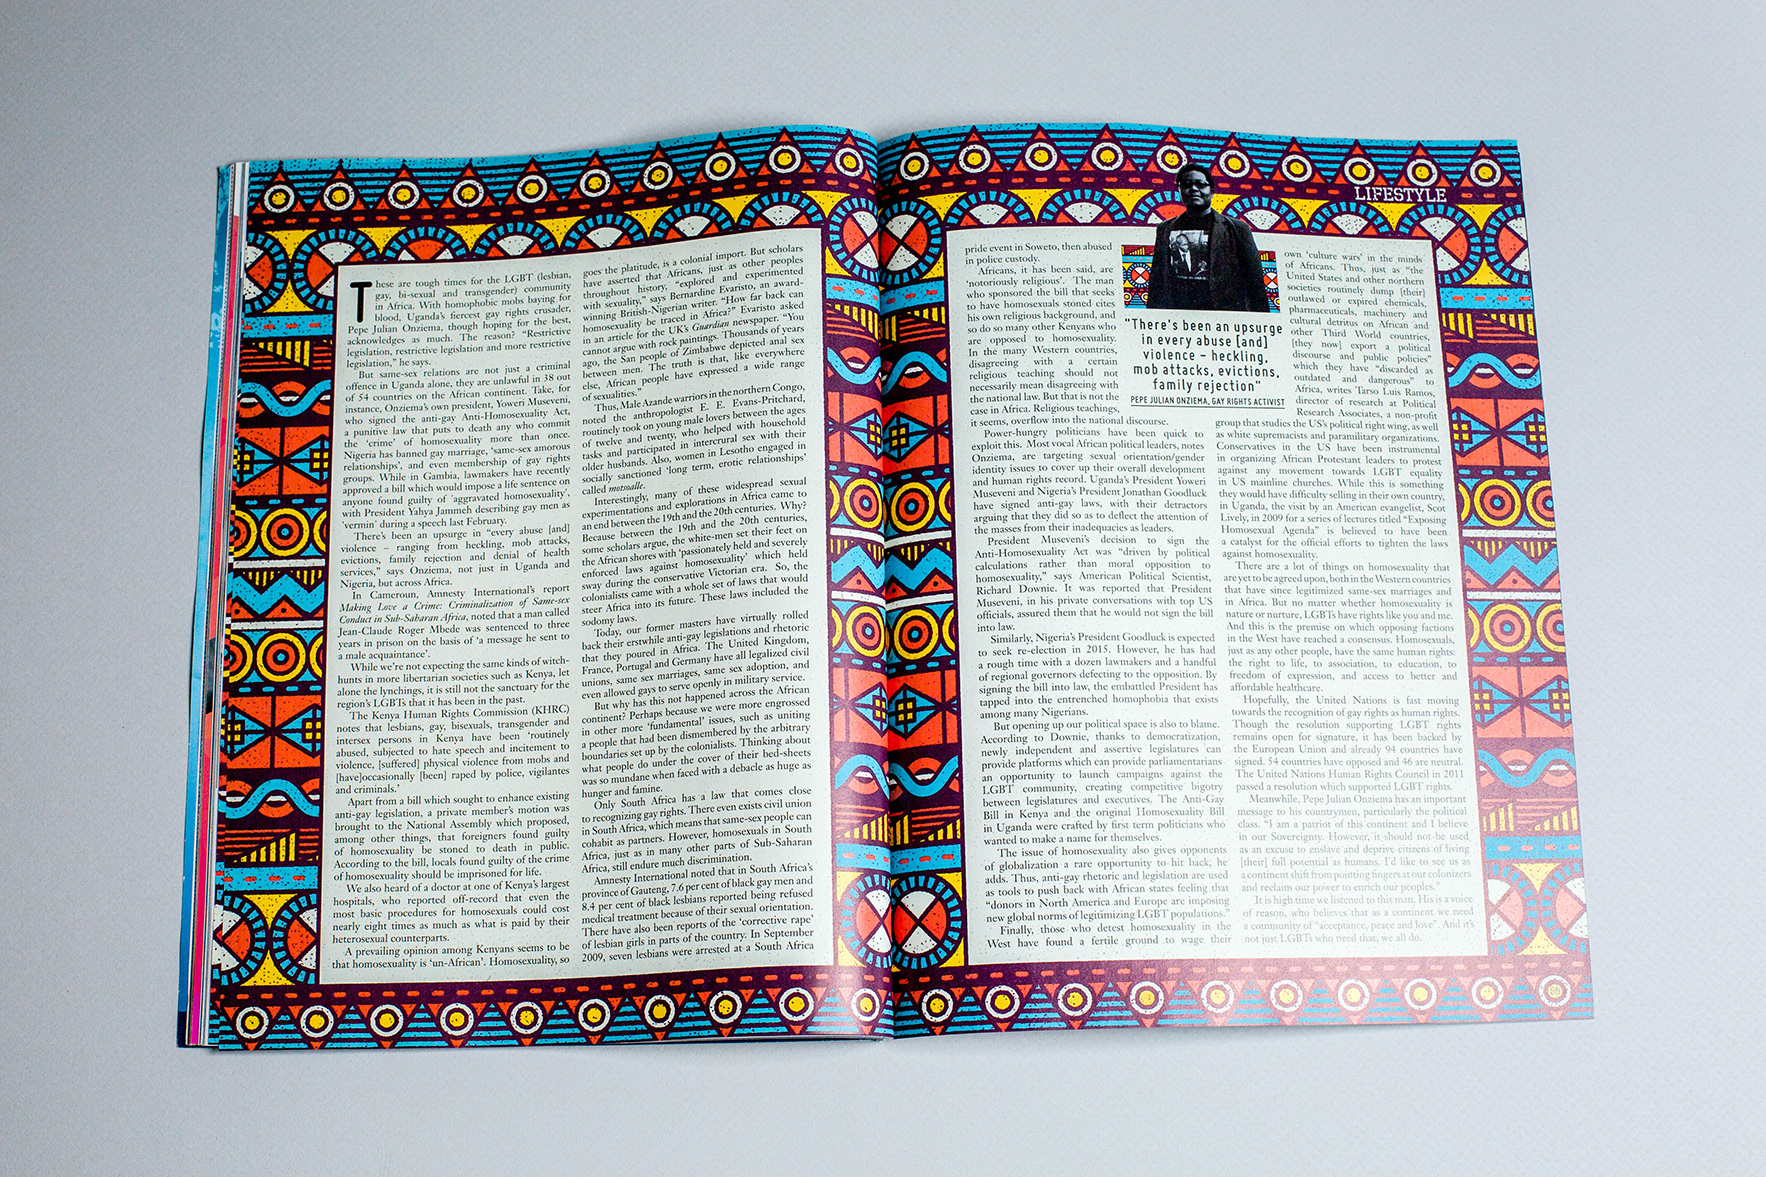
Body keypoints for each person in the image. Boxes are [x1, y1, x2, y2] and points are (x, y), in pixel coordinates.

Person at [1147, 163, 1271, 312]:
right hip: (1179, 313)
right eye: (1186, 185)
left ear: (1211, 191)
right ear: (1179, 190)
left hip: (1223, 312)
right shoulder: (1165, 229)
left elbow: (1255, 280)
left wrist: (1262, 318)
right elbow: (1157, 280)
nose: (1193, 189)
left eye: (1200, 184)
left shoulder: (1238, 229)